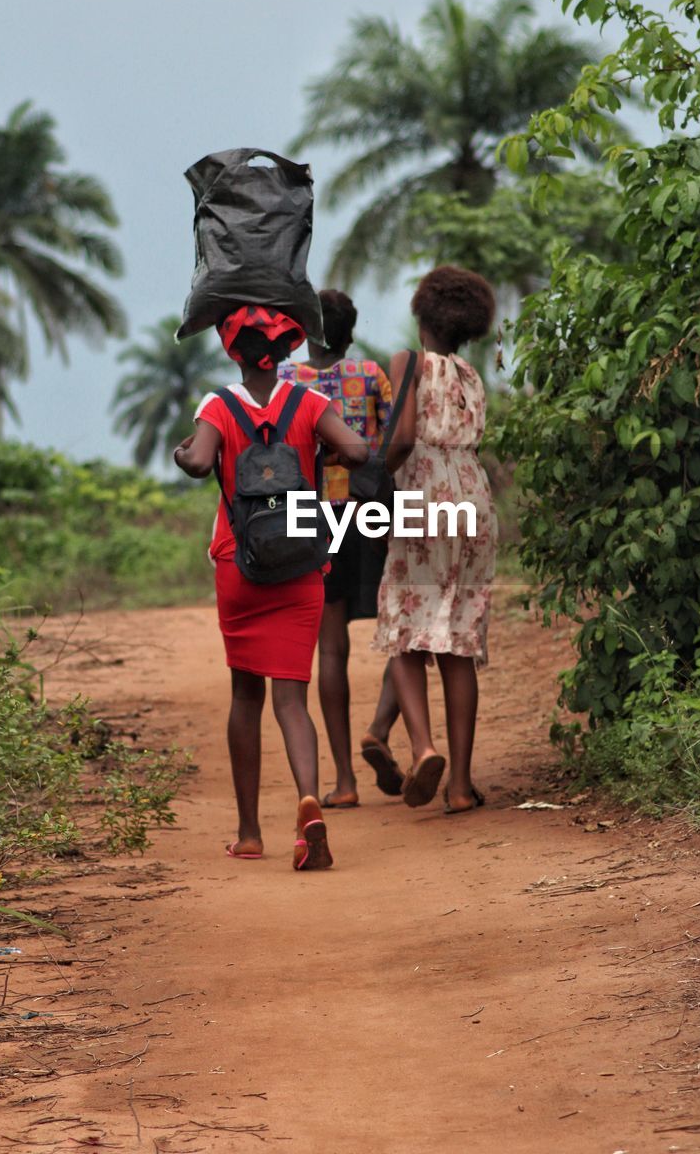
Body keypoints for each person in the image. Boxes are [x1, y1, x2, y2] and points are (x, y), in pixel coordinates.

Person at [173, 304, 368, 869]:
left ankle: (250, 832)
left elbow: (199, 460)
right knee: (292, 698)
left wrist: (185, 453)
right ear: (286, 353)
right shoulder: (309, 403)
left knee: (245, 694)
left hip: (241, 564)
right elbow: (356, 451)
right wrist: (322, 450)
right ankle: (309, 806)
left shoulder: (218, 405)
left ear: (233, 353)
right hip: (302, 565)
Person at [373, 266, 498, 814]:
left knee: (406, 629)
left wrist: (372, 474)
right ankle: (462, 787)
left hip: (424, 494)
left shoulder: (408, 362)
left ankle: (424, 748)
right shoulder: (472, 375)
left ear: (421, 315)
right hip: (474, 498)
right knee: (459, 640)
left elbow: (402, 437)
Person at [279, 289, 404, 808]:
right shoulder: (372, 375)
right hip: (372, 510)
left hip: (315, 518)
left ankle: (346, 782)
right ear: (350, 333)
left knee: (331, 649)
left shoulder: (288, 381)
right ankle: (384, 729)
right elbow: (398, 437)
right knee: (405, 631)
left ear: (309, 332)